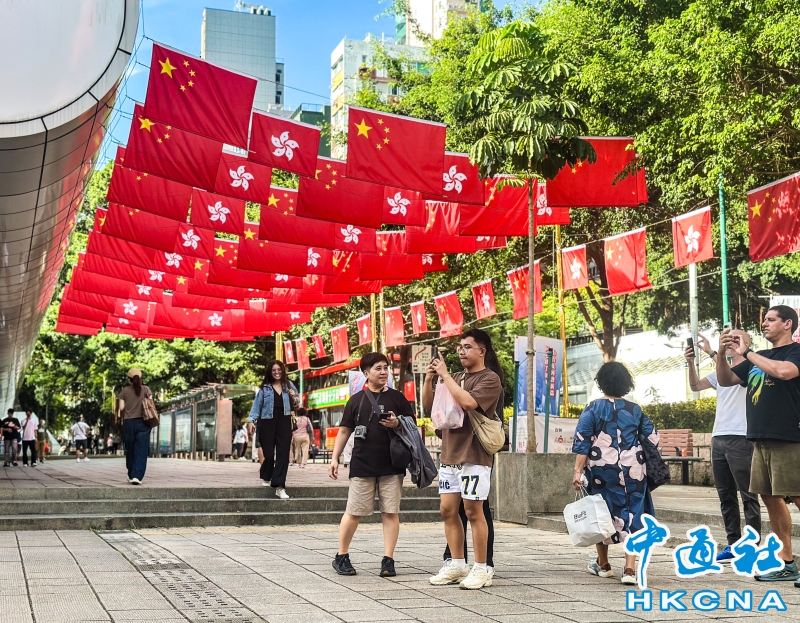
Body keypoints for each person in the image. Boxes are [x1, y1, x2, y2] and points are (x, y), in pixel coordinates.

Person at [716, 306, 800, 584]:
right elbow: (726, 380)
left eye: (771, 319)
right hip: (759, 438)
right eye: (764, 320)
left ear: (788, 324)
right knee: (770, 499)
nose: (764, 323)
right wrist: (721, 353)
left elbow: (784, 372)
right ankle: (787, 562)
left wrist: (747, 352)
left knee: (798, 497)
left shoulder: (794, 352)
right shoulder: (760, 356)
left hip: (789, 437)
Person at [422, 329, 503, 590]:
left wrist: (445, 376)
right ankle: (457, 564)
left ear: (482, 351)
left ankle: (481, 568)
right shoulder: (455, 377)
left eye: (467, 347)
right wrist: (429, 379)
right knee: (447, 510)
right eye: (460, 347)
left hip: (474, 455)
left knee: (473, 511)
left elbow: (468, 403)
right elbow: (430, 406)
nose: (461, 351)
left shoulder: (489, 379)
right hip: (450, 454)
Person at [572, 361, 659, 586]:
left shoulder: (592, 408)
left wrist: (577, 471)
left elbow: (583, 441)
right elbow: (652, 437)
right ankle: (629, 569)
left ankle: (604, 565)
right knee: (634, 513)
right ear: (625, 383)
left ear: (601, 382)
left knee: (601, 511)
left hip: (602, 468)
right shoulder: (635, 409)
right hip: (633, 469)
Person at [329, 352, 414, 577]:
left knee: (390, 512)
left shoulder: (397, 398)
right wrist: (335, 458)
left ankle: (388, 559)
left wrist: (397, 423)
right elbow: (344, 430)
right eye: (378, 368)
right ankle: (341, 556)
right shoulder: (356, 400)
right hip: (362, 464)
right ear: (366, 373)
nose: (383, 372)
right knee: (354, 512)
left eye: (385, 367)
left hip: (392, 464)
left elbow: (411, 425)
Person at [685, 333, 761, 560]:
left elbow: (731, 375)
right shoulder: (721, 371)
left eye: (737, 338)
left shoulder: (751, 369)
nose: (730, 342)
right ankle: (733, 544)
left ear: (747, 344)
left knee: (748, 495)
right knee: (725, 495)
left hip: (741, 437)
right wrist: (691, 362)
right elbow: (696, 385)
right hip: (718, 438)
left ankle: (751, 546)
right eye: (728, 339)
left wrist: (713, 352)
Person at [247, 360, 298, 499]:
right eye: (274, 370)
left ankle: (279, 486)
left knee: (283, 455)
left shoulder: (289, 385)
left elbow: (296, 405)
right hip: (267, 422)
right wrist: (251, 420)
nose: (277, 372)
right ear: (270, 372)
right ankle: (266, 474)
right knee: (268, 455)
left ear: (283, 371)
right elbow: (257, 406)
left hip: (284, 422)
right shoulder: (265, 388)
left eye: (279, 370)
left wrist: (293, 398)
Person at [118, 368, 154, 485]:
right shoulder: (146, 389)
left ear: (129, 379)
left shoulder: (124, 391)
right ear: (140, 378)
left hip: (129, 423)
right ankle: (137, 476)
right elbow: (151, 403)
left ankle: (131, 474)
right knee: (141, 450)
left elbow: (121, 408)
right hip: (144, 422)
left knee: (130, 449)